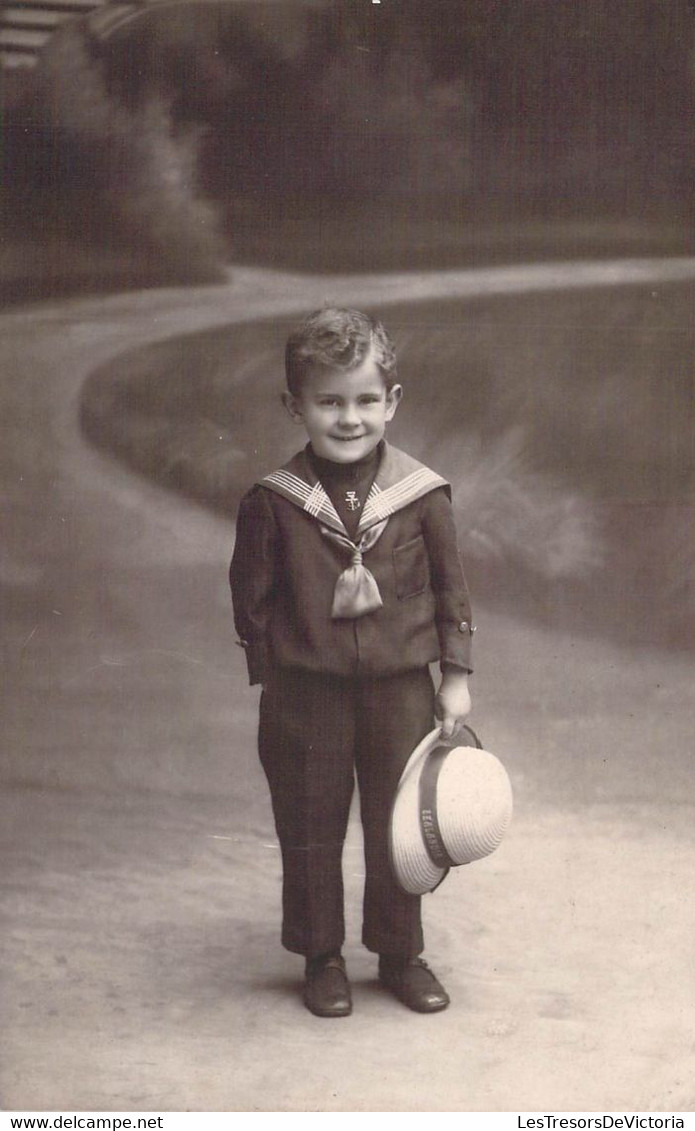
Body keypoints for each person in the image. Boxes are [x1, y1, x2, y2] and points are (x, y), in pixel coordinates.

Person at [230, 307, 475, 1018]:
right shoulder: (274, 502)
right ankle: (321, 955)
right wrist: (275, 674)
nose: (348, 418)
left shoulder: (421, 495)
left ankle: (399, 953)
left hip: (401, 689)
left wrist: (454, 676)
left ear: (392, 403)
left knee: (400, 824)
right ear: (294, 405)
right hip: (306, 693)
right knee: (309, 822)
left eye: (366, 400)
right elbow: (250, 593)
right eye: (328, 401)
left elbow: (452, 588)